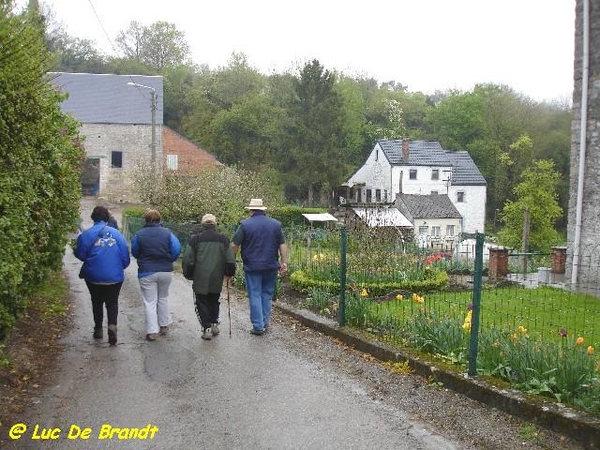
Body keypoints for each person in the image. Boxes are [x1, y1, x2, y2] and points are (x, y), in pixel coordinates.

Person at [75, 205, 131, 346]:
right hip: (114, 276)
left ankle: (98, 328)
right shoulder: (117, 234)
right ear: (107, 218)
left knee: (96, 301)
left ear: (93, 217)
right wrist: (118, 267)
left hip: (93, 276)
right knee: (112, 303)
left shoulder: (86, 235)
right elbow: (125, 257)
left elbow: (81, 255)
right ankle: (112, 325)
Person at [231, 198, 288, 335]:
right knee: (267, 294)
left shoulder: (245, 225)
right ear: (263, 210)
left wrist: (231, 260)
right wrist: (283, 262)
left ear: (251, 210)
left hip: (252, 266)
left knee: (255, 294)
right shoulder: (275, 225)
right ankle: (265, 322)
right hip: (270, 265)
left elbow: (234, 245)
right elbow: (282, 244)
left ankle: (258, 326)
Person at [182, 214, 236, 340]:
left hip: (200, 276)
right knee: (214, 300)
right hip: (217, 277)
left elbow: (188, 259)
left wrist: (189, 274)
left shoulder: (196, 239)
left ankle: (206, 328)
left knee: (201, 302)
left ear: (203, 225)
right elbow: (230, 259)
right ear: (215, 224)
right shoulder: (223, 239)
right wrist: (229, 272)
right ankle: (214, 323)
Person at [131, 209, 181, 342]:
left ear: (145, 220)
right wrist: (170, 259)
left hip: (147, 271)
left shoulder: (139, 235)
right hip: (165, 271)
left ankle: (152, 331)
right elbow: (176, 249)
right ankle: (164, 325)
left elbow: (135, 251)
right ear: (160, 219)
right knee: (163, 297)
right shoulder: (168, 233)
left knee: (150, 301)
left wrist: (143, 258)